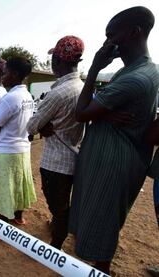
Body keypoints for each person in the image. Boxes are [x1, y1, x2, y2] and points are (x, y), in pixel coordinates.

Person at [70, 7, 158, 274]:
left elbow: (81, 113)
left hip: (114, 161)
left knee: (103, 219)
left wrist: (95, 67)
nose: (108, 43)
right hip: (115, 155)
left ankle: (102, 269)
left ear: (134, 32)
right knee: (99, 216)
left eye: (112, 35)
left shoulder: (136, 77)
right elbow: (101, 110)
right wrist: (106, 116)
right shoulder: (140, 70)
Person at [26, 36, 85, 250]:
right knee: (62, 205)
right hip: (73, 156)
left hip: (56, 162)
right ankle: (59, 230)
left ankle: (56, 245)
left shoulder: (58, 93)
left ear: (58, 62)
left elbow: (31, 126)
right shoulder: (82, 87)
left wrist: (41, 126)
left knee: (58, 206)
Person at [0, 57, 37, 240]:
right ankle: (18, 216)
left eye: (5, 73)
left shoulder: (10, 97)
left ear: (13, 75)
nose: (3, 77)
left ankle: (1, 228)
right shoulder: (27, 96)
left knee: (4, 187)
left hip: (7, 149)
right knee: (19, 183)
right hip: (22, 148)